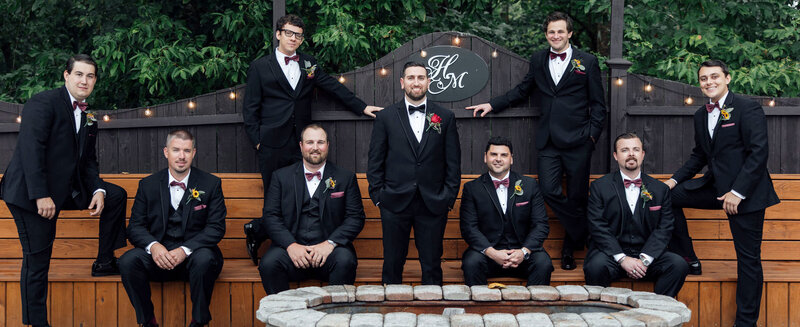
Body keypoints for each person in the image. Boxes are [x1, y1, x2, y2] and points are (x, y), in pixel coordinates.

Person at [466, 11, 606, 271]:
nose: (556, 36)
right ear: (546, 34)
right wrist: (492, 104)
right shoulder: (539, 59)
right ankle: (585, 228)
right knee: (549, 191)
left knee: (576, 198)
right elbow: (523, 90)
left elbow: (599, 105)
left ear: (570, 33)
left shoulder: (587, 61)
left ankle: (569, 250)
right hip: (548, 141)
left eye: (560, 31)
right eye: (551, 32)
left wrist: (591, 137)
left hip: (578, 141)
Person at [242, 14, 381, 263]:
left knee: (308, 194)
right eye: (289, 33)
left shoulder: (308, 63)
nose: (294, 38)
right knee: (279, 201)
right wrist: (258, 141)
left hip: (304, 144)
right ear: (278, 34)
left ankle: (300, 244)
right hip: (271, 144)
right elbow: (250, 108)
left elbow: (332, 86)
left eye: (298, 35)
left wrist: (362, 107)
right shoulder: (260, 66)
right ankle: (281, 252)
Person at [0, 54, 127, 327]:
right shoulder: (42, 104)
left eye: (90, 76)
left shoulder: (89, 114)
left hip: (65, 188)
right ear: (66, 75)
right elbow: (30, 152)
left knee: (115, 194)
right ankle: (37, 322)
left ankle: (105, 261)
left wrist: (97, 190)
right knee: (38, 259)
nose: (85, 80)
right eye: (79, 74)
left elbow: (89, 161)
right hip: (30, 193)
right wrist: (40, 195)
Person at [666, 60, 779, 325]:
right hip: (714, 189)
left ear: (727, 78)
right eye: (704, 78)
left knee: (748, 260)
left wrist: (738, 192)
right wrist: (672, 181)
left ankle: (745, 323)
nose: (709, 82)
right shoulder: (700, 115)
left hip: (745, 195)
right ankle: (689, 258)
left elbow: (758, 153)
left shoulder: (747, 107)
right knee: (668, 197)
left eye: (714, 77)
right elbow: (699, 156)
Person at [119, 130, 226, 327]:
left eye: (187, 150)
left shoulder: (211, 184)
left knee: (205, 259)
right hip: (157, 258)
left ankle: (198, 322)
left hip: (194, 258)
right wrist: (154, 246)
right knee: (128, 261)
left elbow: (216, 228)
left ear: (194, 153)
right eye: (176, 150)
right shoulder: (147, 185)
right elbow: (135, 226)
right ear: (166, 152)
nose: (181, 156)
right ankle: (148, 322)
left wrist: (184, 250)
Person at [367, 61, 461, 285]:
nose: (416, 82)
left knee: (431, 265)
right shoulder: (386, 117)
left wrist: (447, 199)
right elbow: (375, 162)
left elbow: (453, 163)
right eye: (411, 78)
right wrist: (379, 198)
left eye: (421, 77)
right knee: (392, 263)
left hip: (433, 203)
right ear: (402, 83)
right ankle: (391, 317)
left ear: (429, 82)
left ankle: (432, 317)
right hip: (393, 202)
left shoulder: (445, 117)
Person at [258, 124, 365, 294]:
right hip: (292, 253)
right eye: (310, 142)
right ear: (301, 146)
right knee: (269, 264)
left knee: (345, 261)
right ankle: (284, 317)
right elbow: (271, 216)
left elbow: (355, 218)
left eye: (320, 142)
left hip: (329, 253)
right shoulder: (280, 177)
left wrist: (330, 244)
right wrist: (291, 245)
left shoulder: (345, 178)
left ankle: (334, 319)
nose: (315, 148)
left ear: (327, 145)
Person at [583, 133, 688, 297]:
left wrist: (645, 260)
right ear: (616, 156)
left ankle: (656, 313)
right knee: (595, 266)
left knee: (678, 264)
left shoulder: (660, 189)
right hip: (612, 256)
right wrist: (623, 259)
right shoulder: (599, 187)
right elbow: (597, 227)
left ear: (643, 154)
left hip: (647, 255)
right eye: (625, 150)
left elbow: (665, 227)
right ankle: (603, 315)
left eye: (636, 149)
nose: (631, 154)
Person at [460, 136, 553, 286]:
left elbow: (541, 224)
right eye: (493, 154)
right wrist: (492, 253)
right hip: (489, 255)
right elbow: (469, 228)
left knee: (543, 263)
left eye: (504, 155)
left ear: (511, 159)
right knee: (471, 263)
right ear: (485, 157)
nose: (498, 159)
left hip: (522, 255)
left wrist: (523, 252)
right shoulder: (472, 188)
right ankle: (481, 309)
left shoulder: (529, 185)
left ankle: (532, 309)